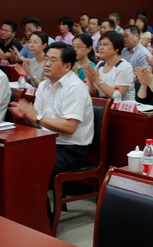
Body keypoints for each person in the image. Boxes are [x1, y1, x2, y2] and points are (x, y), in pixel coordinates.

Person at [9, 42, 94, 179]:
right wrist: (26, 115)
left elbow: (70, 127)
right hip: (46, 142)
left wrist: (36, 117)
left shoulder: (75, 87)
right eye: (46, 59)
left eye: (53, 60)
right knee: (11, 157)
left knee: (32, 167)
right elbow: (38, 124)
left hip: (71, 149)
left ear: (67, 66)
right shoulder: (44, 85)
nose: (47, 64)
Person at [85, 31, 135, 100]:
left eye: (105, 45)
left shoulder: (125, 67)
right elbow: (95, 95)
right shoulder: (100, 65)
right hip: (102, 104)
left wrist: (97, 80)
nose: (101, 48)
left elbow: (118, 96)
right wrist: (91, 81)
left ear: (117, 48)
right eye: (100, 44)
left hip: (122, 105)